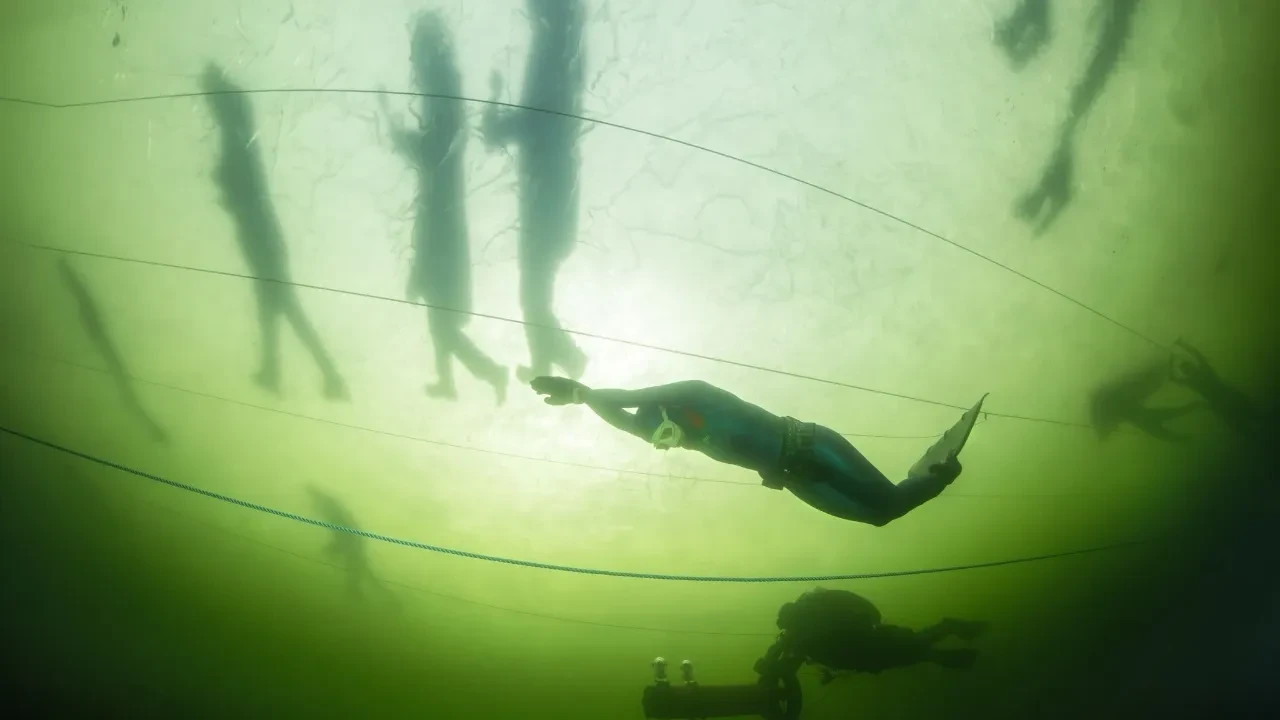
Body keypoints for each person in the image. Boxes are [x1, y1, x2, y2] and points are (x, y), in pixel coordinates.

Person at [530, 376, 976, 527]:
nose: (672, 442)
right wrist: (582, 397)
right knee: (879, 517)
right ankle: (925, 478)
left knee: (890, 504)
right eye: (664, 442)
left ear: (668, 410)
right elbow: (624, 420)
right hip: (795, 477)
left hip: (813, 444)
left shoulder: (696, 395)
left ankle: (941, 474)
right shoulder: (683, 434)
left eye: (666, 432)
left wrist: (585, 390)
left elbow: (631, 397)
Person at [755, 588, 988, 684]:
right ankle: (959, 652)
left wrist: (769, 668)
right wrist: (770, 667)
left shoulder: (805, 630)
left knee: (916, 646)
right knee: (914, 652)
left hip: (872, 645)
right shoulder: (803, 633)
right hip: (870, 651)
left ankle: (951, 631)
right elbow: (787, 660)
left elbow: (788, 661)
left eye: (787, 624)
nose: (787, 630)